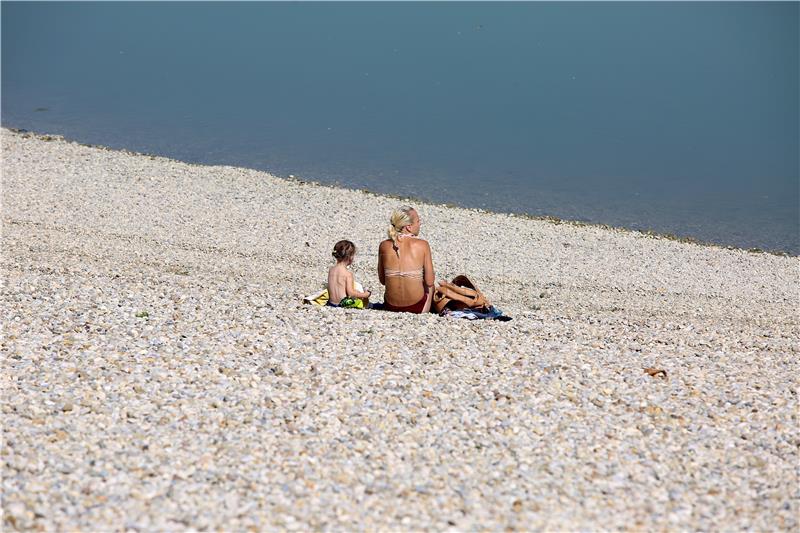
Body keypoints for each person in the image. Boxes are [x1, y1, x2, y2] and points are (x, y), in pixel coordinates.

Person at [378, 206, 435, 313]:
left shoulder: (384, 245)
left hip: (390, 306)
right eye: (418, 221)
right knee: (431, 286)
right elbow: (430, 281)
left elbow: (383, 280)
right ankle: (425, 311)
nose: (420, 224)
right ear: (408, 227)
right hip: (417, 307)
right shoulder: (423, 245)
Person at [328, 240, 371, 307]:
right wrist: (366, 294)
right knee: (372, 305)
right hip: (343, 303)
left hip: (331, 303)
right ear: (350, 257)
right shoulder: (347, 274)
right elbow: (351, 293)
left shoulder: (331, 270)